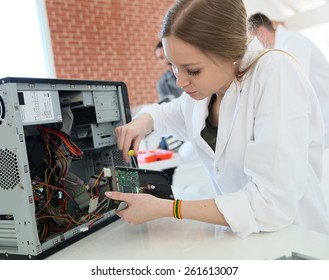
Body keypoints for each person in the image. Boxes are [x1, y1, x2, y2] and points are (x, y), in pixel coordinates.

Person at [106, 0, 329, 238]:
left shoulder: (275, 74)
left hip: (295, 240)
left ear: (229, 52)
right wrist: (143, 121)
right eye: (174, 67)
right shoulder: (205, 92)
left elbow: (270, 204)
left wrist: (169, 208)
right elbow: (166, 113)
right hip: (243, 241)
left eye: (192, 70)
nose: (180, 82)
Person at [248, 12, 329, 148]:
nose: (255, 47)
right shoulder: (281, 47)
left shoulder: (292, 41)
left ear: (262, 31)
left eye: (253, 39)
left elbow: (295, 83)